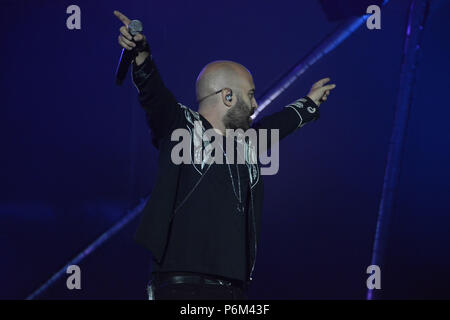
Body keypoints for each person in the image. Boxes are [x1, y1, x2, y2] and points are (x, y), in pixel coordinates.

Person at [114, 10, 336, 300]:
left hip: (233, 291)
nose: (256, 104)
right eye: (251, 95)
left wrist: (309, 104)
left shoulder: (244, 145)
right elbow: (154, 94)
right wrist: (141, 54)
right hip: (182, 288)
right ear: (228, 96)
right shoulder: (181, 128)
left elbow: (276, 125)